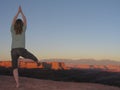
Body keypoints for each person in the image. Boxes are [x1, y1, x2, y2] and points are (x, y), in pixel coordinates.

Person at [10, 6, 41, 88]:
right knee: (35, 59)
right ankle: (22, 60)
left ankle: (17, 84)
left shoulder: (12, 30)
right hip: (21, 49)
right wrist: (21, 12)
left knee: (14, 68)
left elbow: (13, 20)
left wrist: (17, 12)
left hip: (13, 50)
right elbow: (25, 20)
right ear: (22, 24)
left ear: (15, 25)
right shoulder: (23, 29)